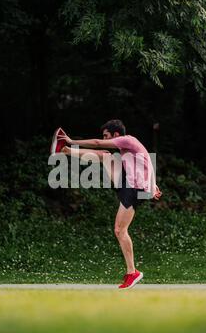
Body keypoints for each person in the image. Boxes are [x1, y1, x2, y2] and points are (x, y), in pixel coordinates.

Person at [52, 119, 162, 289]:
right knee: (106, 156)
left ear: (116, 135)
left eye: (106, 136)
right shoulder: (128, 149)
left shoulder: (128, 140)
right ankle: (65, 150)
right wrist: (153, 185)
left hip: (133, 189)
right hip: (131, 186)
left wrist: (71, 140)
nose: (103, 139)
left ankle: (133, 272)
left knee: (120, 230)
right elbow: (146, 162)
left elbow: (97, 143)